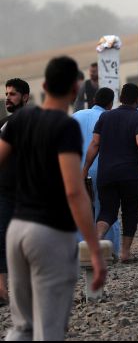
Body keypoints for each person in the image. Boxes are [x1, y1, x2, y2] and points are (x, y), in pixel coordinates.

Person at [0, 57, 106, 340]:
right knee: (49, 329)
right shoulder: (64, 126)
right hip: (50, 233)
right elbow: (73, 190)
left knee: (22, 326)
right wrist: (94, 250)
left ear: (44, 86)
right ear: (76, 89)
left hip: (16, 230)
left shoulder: (18, 120)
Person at [82, 83, 138, 263]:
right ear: (137, 99)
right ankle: (125, 253)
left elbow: (94, 144)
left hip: (106, 174)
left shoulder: (105, 117)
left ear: (120, 98)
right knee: (130, 212)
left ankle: (95, 245)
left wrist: (85, 169)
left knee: (107, 212)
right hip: (130, 175)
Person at [72, 88, 121, 258]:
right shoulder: (109, 118)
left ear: (93, 99)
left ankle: (82, 252)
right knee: (107, 209)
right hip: (102, 168)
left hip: (77, 169)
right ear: (110, 103)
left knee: (80, 209)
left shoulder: (77, 115)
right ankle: (110, 251)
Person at [0, 78, 30, 304]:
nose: (8, 98)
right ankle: (2, 291)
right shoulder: (2, 124)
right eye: (7, 94)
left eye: (13, 94)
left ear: (25, 97)